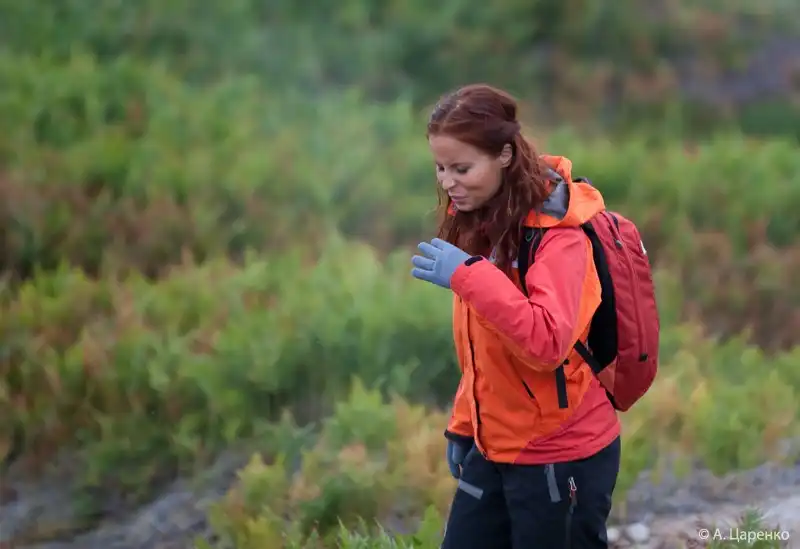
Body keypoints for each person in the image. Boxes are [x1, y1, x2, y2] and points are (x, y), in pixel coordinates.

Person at [410, 83, 621, 549]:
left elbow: (547, 343)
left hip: (559, 453)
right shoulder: (487, 225)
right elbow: (487, 351)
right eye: (441, 168)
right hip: (494, 447)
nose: (448, 182)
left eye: (462, 168)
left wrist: (468, 276)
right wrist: (464, 426)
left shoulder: (559, 237)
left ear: (504, 156)